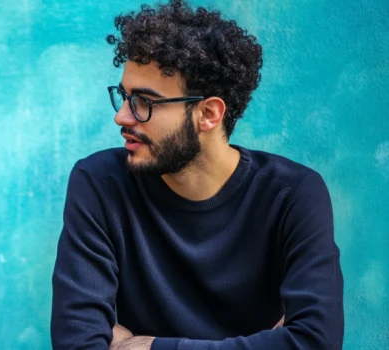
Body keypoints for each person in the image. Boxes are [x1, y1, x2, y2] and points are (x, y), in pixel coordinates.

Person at [50, 1, 344, 349]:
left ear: (208, 114)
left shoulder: (293, 195)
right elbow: (77, 343)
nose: (123, 117)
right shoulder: (100, 184)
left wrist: (150, 347)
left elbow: (315, 342)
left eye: (144, 102)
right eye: (125, 97)